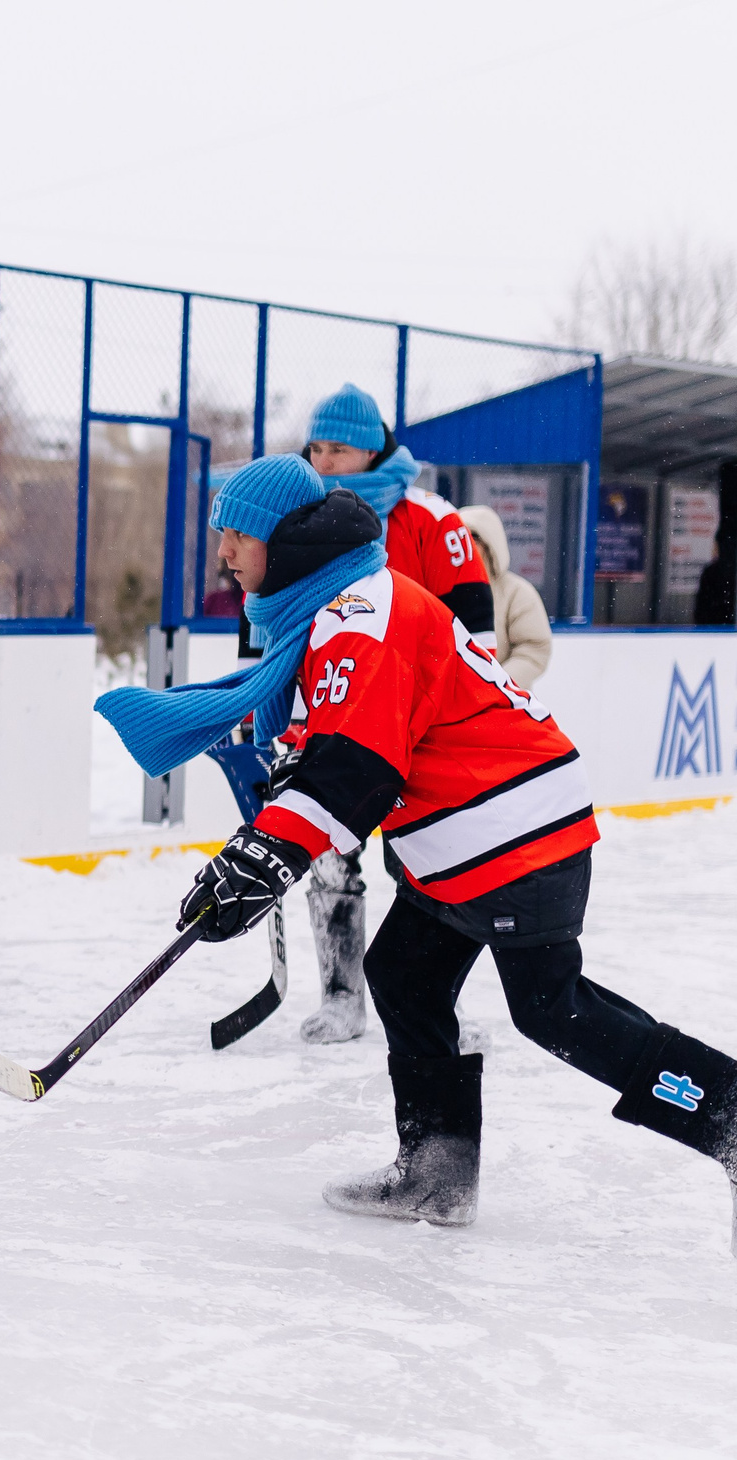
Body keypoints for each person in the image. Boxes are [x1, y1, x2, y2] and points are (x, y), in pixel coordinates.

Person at [100, 455, 737, 1268]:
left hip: (513, 830)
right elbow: (347, 742)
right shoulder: (340, 605)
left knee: (554, 1009)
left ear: (280, 536)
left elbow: (358, 769)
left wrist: (264, 855)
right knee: (404, 974)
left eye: (237, 534)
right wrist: (276, 828)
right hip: (476, 834)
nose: (225, 553)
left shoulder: (357, 615)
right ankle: (437, 1173)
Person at [295, 384, 496, 1046]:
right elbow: (273, 630)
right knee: (329, 855)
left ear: (372, 450)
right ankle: (342, 998)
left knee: (430, 865)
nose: (324, 461)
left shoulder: (434, 520)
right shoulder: (296, 520)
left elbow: (477, 640)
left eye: (339, 449)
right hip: (333, 723)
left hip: (427, 731)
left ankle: (435, 1004)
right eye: (316, 447)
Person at [456, 504, 553, 690]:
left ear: (490, 545)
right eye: (459, 538)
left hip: (502, 702)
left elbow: (534, 648)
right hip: (448, 702)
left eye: (472, 538)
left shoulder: (516, 593)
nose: (465, 546)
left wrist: (497, 686)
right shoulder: (439, 591)